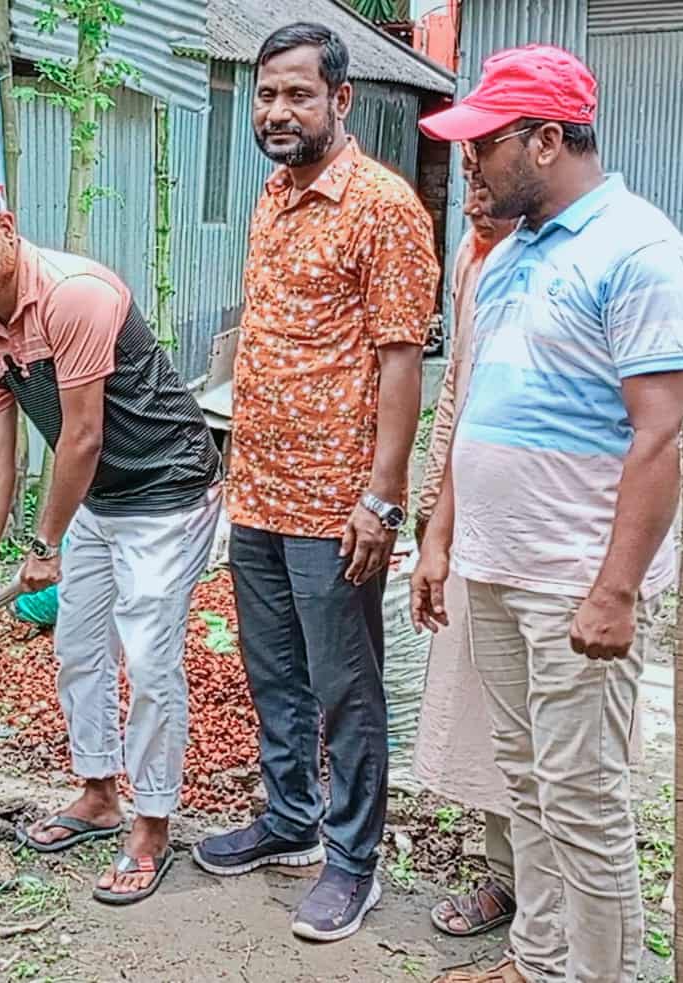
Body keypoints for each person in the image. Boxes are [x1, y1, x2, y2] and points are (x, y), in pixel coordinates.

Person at [412, 44, 683, 983]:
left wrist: (615, 592)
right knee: (527, 784)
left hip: (574, 581)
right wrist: (444, 539)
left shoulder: (641, 251)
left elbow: (659, 440)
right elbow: (477, 410)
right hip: (497, 572)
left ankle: (600, 975)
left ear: (543, 141)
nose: (472, 166)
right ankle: (536, 962)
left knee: (584, 799)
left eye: (485, 146)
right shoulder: (504, 260)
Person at [0, 174, 222, 906]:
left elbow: (80, 437)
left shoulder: (76, 293)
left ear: (5, 225)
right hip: (102, 500)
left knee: (146, 655)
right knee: (78, 644)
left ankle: (150, 823)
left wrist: (45, 542)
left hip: (169, 490)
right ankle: (98, 793)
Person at [191, 22, 439, 942]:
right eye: (266, 94)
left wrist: (382, 495)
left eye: (298, 93)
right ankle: (288, 817)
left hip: (337, 503)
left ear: (341, 99)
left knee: (347, 684)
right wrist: (234, 468)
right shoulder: (272, 195)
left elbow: (402, 361)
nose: (278, 110)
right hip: (257, 489)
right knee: (274, 673)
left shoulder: (383, 207)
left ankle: (351, 859)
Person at [411, 180, 520, 940]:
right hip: (470, 518)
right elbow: (458, 386)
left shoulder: (565, 262)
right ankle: (506, 876)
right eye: (469, 178)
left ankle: (550, 901)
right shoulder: (471, 259)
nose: (472, 195)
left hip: (544, 539)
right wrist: (432, 508)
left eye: (488, 177)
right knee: (482, 708)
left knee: (547, 729)